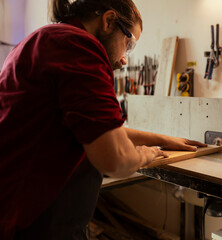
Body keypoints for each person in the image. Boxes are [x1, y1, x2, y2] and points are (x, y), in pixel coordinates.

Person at [0, 0, 206, 239]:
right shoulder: (79, 46)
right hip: (32, 221)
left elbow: (93, 127)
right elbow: (116, 161)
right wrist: (147, 154)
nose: (124, 59)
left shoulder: (42, 39)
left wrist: (163, 139)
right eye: (128, 44)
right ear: (108, 21)